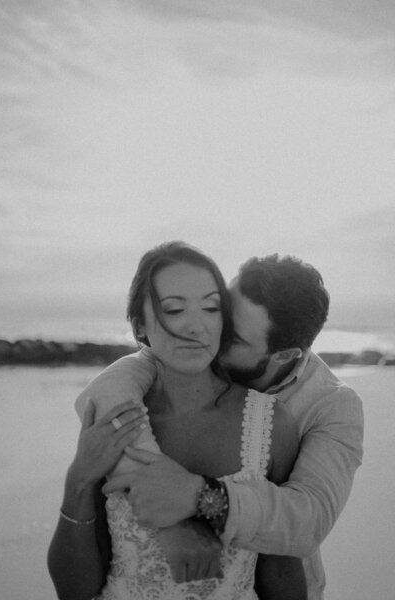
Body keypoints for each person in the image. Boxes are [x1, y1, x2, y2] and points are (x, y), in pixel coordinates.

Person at [79, 252, 364, 600]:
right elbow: (104, 391)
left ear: (285, 355)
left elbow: (308, 522)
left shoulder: (332, 405)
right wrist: (170, 521)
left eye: (236, 338)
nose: (211, 333)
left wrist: (199, 498)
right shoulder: (181, 357)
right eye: (220, 313)